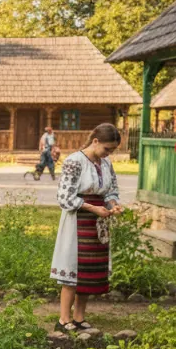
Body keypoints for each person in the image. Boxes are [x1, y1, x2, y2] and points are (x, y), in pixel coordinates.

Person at [52, 123, 124, 332]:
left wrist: (113, 205)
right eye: (107, 149)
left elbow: (111, 190)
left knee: (89, 272)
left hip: (97, 224)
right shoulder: (74, 161)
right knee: (73, 269)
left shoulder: (106, 163)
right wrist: (93, 208)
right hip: (77, 220)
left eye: (112, 150)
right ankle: (63, 319)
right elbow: (64, 197)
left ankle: (79, 317)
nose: (109, 153)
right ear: (95, 141)